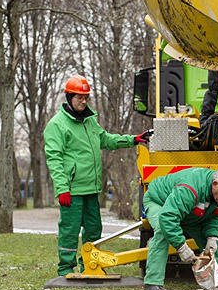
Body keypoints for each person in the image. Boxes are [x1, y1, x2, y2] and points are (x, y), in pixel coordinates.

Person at [44, 75, 150, 277]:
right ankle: (65, 269)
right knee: (70, 230)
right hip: (72, 191)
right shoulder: (57, 125)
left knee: (94, 230)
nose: (83, 101)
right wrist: (62, 188)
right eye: (79, 97)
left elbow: (107, 140)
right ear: (69, 97)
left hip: (91, 189)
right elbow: (54, 159)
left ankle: (89, 266)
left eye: (86, 97)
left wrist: (133, 139)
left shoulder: (90, 121)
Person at [142, 164, 218, 290]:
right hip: (159, 201)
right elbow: (167, 217)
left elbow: (214, 218)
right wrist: (181, 246)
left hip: (188, 212)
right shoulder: (190, 189)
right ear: (215, 184)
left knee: (214, 244)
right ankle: (152, 284)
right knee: (162, 230)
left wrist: (212, 237)